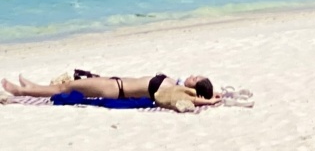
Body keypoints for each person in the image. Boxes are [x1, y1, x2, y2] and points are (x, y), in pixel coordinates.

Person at [2, 72, 216, 106]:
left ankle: (22, 91)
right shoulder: (176, 84)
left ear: (193, 87)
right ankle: (32, 88)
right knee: (65, 86)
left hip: (115, 89)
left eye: (196, 78)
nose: (193, 75)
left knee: (65, 87)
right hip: (116, 83)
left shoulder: (178, 91)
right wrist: (215, 94)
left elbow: (197, 100)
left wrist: (210, 100)